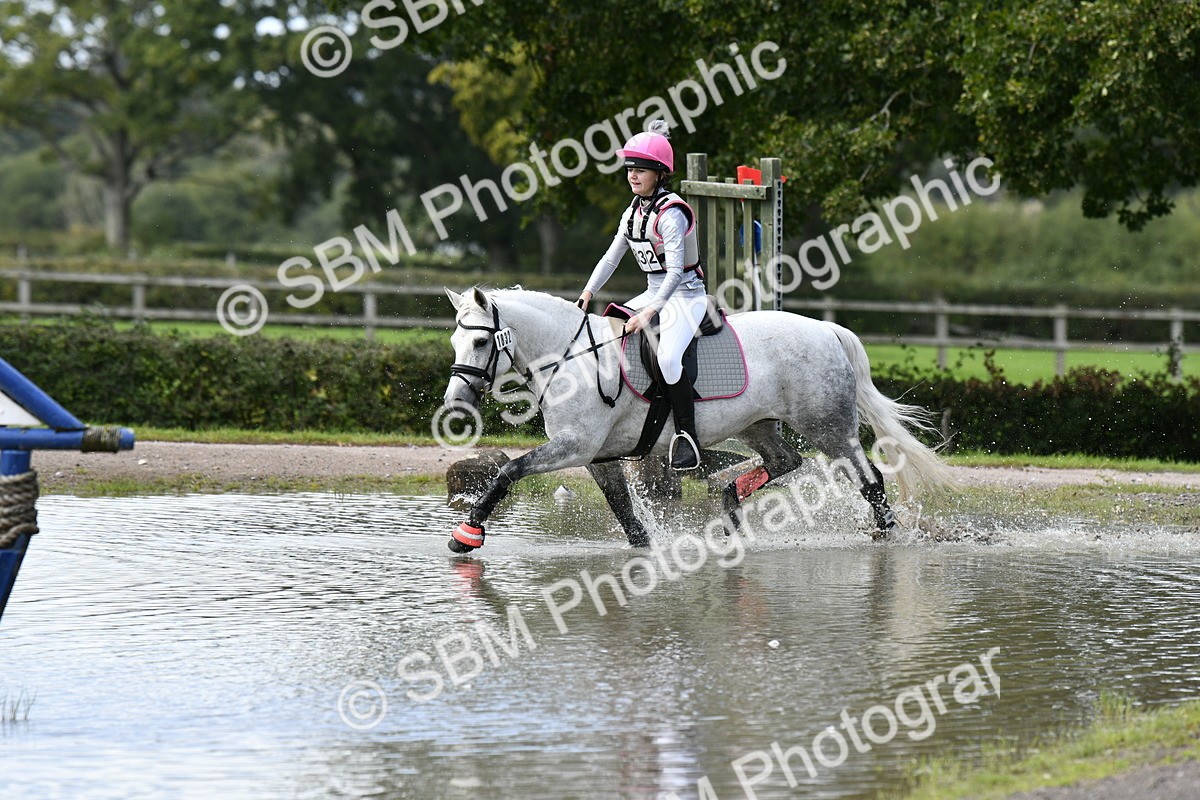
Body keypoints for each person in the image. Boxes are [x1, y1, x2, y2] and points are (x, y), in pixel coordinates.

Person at [576, 120, 707, 470]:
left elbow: (676, 273)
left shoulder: (671, 214)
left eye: (641, 170)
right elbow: (611, 258)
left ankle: (687, 437)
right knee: (606, 331)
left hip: (686, 296)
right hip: (653, 292)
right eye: (630, 169)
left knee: (668, 359)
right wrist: (588, 292)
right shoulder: (633, 211)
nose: (633, 175)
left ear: (660, 174)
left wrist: (649, 313)